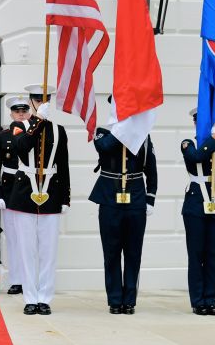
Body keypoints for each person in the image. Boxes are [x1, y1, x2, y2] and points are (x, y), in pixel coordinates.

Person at [89, 95, 157, 315]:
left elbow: (151, 170)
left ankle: (129, 301)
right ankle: (115, 300)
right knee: (111, 252)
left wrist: (150, 198)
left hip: (136, 197)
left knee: (133, 252)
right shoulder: (103, 132)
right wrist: (124, 128)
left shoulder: (143, 137)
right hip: (109, 197)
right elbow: (104, 147)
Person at [8, 84, 70, 316]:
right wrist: (37, 120)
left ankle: (45, 297)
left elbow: (63, 165)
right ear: (32, 102)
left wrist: (65, 197)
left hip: (51, 192)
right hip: (25, 192)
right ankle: (30, 297)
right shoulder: (19, 126)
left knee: (48, 249)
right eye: (36, 99)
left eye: (44, 99)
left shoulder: (59, 130)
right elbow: (22, 146)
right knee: (26, 249)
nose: (40, 102)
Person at [180, 108, 215, 316]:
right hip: (196, 204)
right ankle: (198, 300)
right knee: (196, 254)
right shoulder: (188, 144)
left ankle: (210, 299)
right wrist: (213, 138)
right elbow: (198, 157)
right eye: (201, 122)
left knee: (213, 255)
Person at [0, 96, 31, 296]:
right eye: (17, 111)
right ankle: (17, 280)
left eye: (24, 111)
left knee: (32, 239)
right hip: (10, 190)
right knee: (13, 238)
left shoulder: (38, 133)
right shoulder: (2, 136)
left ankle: (32, 279)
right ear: (11, 113)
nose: (21, 114)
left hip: (33, 191)